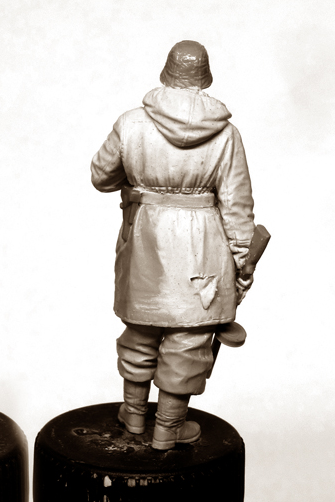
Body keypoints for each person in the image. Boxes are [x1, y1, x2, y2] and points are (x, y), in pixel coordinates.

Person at [90, 40, 255, 450]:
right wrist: (243, 259)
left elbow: (101, 176)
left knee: (140, 329)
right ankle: (167, 428)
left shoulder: (131, 122)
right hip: (203, 244)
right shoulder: (227, 134)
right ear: (205, 77)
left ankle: (134, 415)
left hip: (145, 238)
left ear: (166, 72)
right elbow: (236, 203)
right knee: (189, 338)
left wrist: (140, 180)